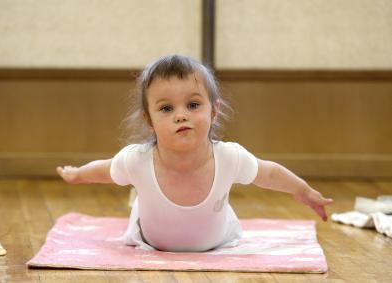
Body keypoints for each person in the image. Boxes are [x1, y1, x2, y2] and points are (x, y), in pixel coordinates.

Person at [57, 54, 333, 252]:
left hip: (219, 239)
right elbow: (106, 170)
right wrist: (78, 174)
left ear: (214, 111)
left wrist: (303, 191)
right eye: (166, 109)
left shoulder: (229, 157)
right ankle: (140, 200)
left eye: (192, 105)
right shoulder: (137, 160)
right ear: (149, 121)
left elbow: (269, 173)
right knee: (140, 199)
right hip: (150, 240)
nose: (181, 116)